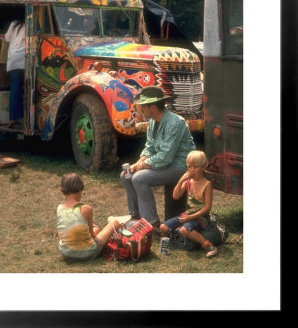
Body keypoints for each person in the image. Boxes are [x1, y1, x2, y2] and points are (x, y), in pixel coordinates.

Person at [120, 85, 196, 229]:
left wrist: (140, 166)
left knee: (139, 178)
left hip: (179, 166)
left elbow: (165, 157)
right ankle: (135, 217)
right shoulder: (153, 122)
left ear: (153, 107)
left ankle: (152, 222)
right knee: (126, 175)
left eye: (143, 106)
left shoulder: (175, 122)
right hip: (165, 164)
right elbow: (149, 148)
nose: (141, 109)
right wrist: (136, 165)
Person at [160, 150, 218, 258]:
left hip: (201, 218)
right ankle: (171, 242)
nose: (191, 170)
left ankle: (208, 246)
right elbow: (175, 196)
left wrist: (190, 217)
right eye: (189, 166)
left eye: (195, 167)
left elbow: (207, 207)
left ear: (203, 167)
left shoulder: (207, 185)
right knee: (163, 227)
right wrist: (181, 180)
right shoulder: (188, 181)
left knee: (184, 229)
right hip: (186, 216)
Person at [56, 173, 121, 260]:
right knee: (114, 223)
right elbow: (92, 235)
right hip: (87, 254)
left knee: (96, 229)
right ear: (80, 190)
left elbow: (60, 234)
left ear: (62, 190)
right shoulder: (86, 209)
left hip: (66, 254)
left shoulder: (59, 208)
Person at [4, 14, 25, 128]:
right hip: (22, 59)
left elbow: (6, 38)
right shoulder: (28, 25)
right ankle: (14, 117)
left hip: (13, 58)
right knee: (18, 88)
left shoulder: (13, 24)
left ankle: (15, 116)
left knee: (15, 87)